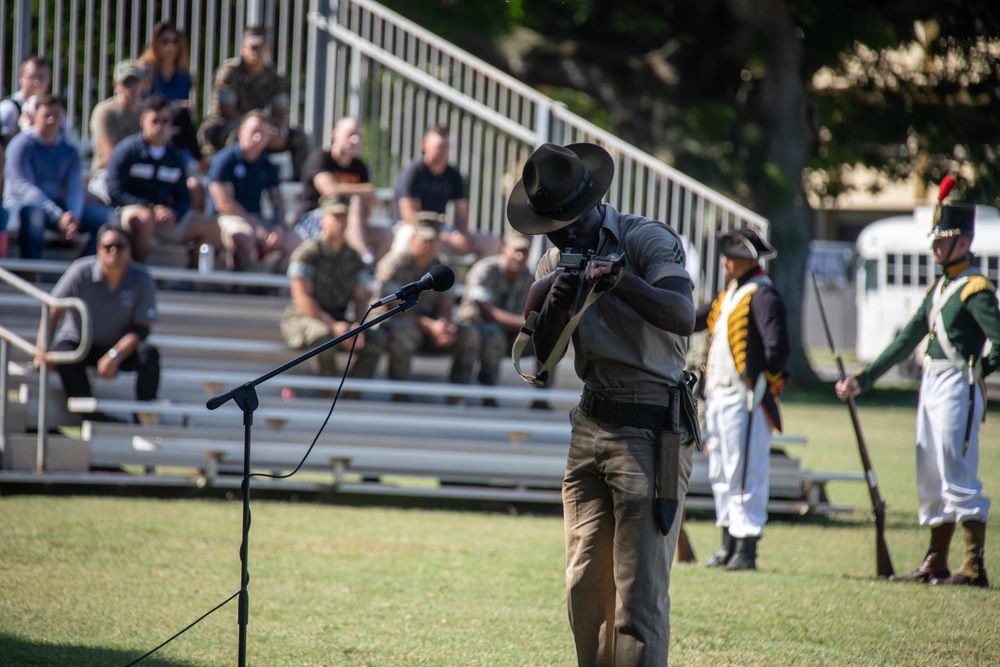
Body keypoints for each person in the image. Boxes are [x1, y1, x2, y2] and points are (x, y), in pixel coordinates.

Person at [509, 142, 697, 665]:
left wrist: (618, 281)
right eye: (553, 224)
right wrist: (555, 299)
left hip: (649, 425)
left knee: (637, 599)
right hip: (591, 425)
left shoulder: (645, 239)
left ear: (594, 202)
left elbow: (682, 314)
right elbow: (540, 359)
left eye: (570, 220)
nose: (563, 233)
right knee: (584, 589)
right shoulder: (553, 259)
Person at [835, 182, 1000, 588]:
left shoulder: (976, 289)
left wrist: (978, 372)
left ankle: (973, 566)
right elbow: (906, 339)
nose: (934, 248)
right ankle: (936, 561)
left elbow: (998, 341)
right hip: (932, 383)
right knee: (929, 470)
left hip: (958, 385)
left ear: (962, 241)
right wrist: (864, 379)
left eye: (942, 240)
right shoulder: (940, 288)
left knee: (956, 471)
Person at [694, 228, 789, 571]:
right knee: (721, 471)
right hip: (719, 397)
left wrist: (767, 382)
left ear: (748, 259)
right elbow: (696, 319)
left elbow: (777, 350)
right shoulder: (730, 293)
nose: (724, 261)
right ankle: (728, 544)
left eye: (730, 256)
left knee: (746, 473)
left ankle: (746, 549)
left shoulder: (763, 295)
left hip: (745, 397)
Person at [34, 223, 160, 422]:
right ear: (98, 249)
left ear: (130, 250)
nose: (114, 251)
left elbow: (143, 328)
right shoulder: (80, 270)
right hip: (79, 343)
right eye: (108, 246)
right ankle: (91, 415)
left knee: (149, 354)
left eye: (120, 246)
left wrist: (115, 355)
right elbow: (52, 308)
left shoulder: (142, 278)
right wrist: (42, 350)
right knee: (64, 353)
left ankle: (143, 416)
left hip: (118, 348)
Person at [281, 195, 386, 383]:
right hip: (302, 319)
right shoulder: (308, 253)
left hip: (338, 320)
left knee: (376, 339)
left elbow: (361, 297)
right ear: (323, 219)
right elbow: (302, 299)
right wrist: (334, 326)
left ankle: (352, 393)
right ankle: (328, 393)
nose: (339, 221)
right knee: (323, 335)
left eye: (343, 216)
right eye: (334, 216)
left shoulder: (354, 257)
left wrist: (357, 327)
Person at [105, 94, 222, 264]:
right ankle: (137, 273)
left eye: (165, 120)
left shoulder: (175, 156)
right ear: (143, 121)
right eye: (155, 121)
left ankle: (189, 280)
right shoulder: (126, 151)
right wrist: (150, 207)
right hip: (131, 213)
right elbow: (115, 191)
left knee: (211, 226)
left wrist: (173, 212)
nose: (160, 126)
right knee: (145, 218)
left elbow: (183, 196)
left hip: (164, 218)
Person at [373, 215, 477, 392]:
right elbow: (394, 309)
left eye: (433, 240)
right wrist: (432, 327)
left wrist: (443, 325)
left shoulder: (442, 267)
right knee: (404, 331)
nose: (428, 245)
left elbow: (446, 304)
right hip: (396, 324)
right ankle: (399, 394)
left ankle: (458, 396)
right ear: (412, 239)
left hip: (431, 328)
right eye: (424, 239)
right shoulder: (394, 264)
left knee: (469, 334)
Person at [3, 95, 114, 259]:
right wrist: (58, 215)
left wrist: (73, 217)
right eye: (46, 115)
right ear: (34, 117)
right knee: (34, 216)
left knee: (109, 218)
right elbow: (25, 189)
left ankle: (81, 270)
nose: (51, 120)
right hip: (23, 207)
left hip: (58, 211)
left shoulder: (70, 151)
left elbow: (74, 188)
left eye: (56, 115)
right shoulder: (20, 145)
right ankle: (31, 274)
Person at [198, 25, 309, 180]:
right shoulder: (230, 72)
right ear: (243, 48)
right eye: (252, 47)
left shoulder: (274, 76)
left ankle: (299, 184)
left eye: (260, 47)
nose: (255, 51)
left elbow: (281, 112)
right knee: (239, 135)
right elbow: (228, 112)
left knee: (299, 137)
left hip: (260, 128)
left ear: (268, 49)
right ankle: (232, 178)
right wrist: (259, 130)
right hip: (223, 126)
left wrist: (280, 131)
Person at [207, 111, 300, 273]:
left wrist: (278, 226)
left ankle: (271, 285)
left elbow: (277, 200)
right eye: (254, 132)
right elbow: (224, 204)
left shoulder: (267, 165)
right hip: (227, 220)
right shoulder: (225, 160)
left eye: (263, 133)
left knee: (295, 242)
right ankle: (238, 284)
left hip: (255, 219)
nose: (258, 138)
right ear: (241, 132)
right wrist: (256, 226)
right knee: (244, 237)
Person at [393, 124, 499, 260]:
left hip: (441, 229)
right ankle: (400, 278)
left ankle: (473, 279)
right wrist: (446, 237)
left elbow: (461, 213)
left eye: (446, 146)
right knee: (407, 237)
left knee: (492, 242)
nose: (443, 151)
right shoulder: (413, 172)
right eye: (439, 146)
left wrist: (462, 235)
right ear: (425, 144)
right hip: (412, 228)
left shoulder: (454, 174)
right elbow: (411, 217)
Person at [296, 115, 391, 262]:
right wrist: (365, 190)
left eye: (358, 135)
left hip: (347, 223)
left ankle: (368, 271)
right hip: (316, 218)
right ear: (335, 134)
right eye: (350, 134)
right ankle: (363, 258)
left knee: (385, 235)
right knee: (355, 202)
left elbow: (365, 211)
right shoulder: (320, 157)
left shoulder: (360, 167)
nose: (355, 140)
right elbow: (329, 190)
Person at [454, 227, 536, 394]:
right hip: (476, 327)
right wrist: (524, 323)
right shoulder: (484, 269)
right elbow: (488, 312)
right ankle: (483, 392)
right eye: (516, 251)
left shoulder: (528, 275)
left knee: (547, 340)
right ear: (504, 249)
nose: (519, 257)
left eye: (524, 252)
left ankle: (542, 396)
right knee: (493, 333)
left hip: (511, 331)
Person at [137, 20, 208, 212]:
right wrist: (173, 107)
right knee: (179, 113)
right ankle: (200, 160)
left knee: (181, 116)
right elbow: (145, 106)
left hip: (174, 133)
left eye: (175, 41)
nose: (170, 46)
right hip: (150, 129)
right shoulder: (145, 71)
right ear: (155, 44)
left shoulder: (183, 75)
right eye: (164, 41)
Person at [89, 60, 144, 204]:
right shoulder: (105, 111)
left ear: (142, 84)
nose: (131, 87)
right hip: (108, 174)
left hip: (143, 173)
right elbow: (111, 157)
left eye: (135, 82)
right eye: (126, 82)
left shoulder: (148, 112)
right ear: (116, 85)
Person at [0, 55, 71, 146]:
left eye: (42, 77)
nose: (37, 82)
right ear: (20, 76)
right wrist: (25, 129)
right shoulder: (9, 108)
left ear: (49, 78)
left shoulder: (57, 110)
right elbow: (3, 146)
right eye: (33, 77)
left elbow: (65, 142)